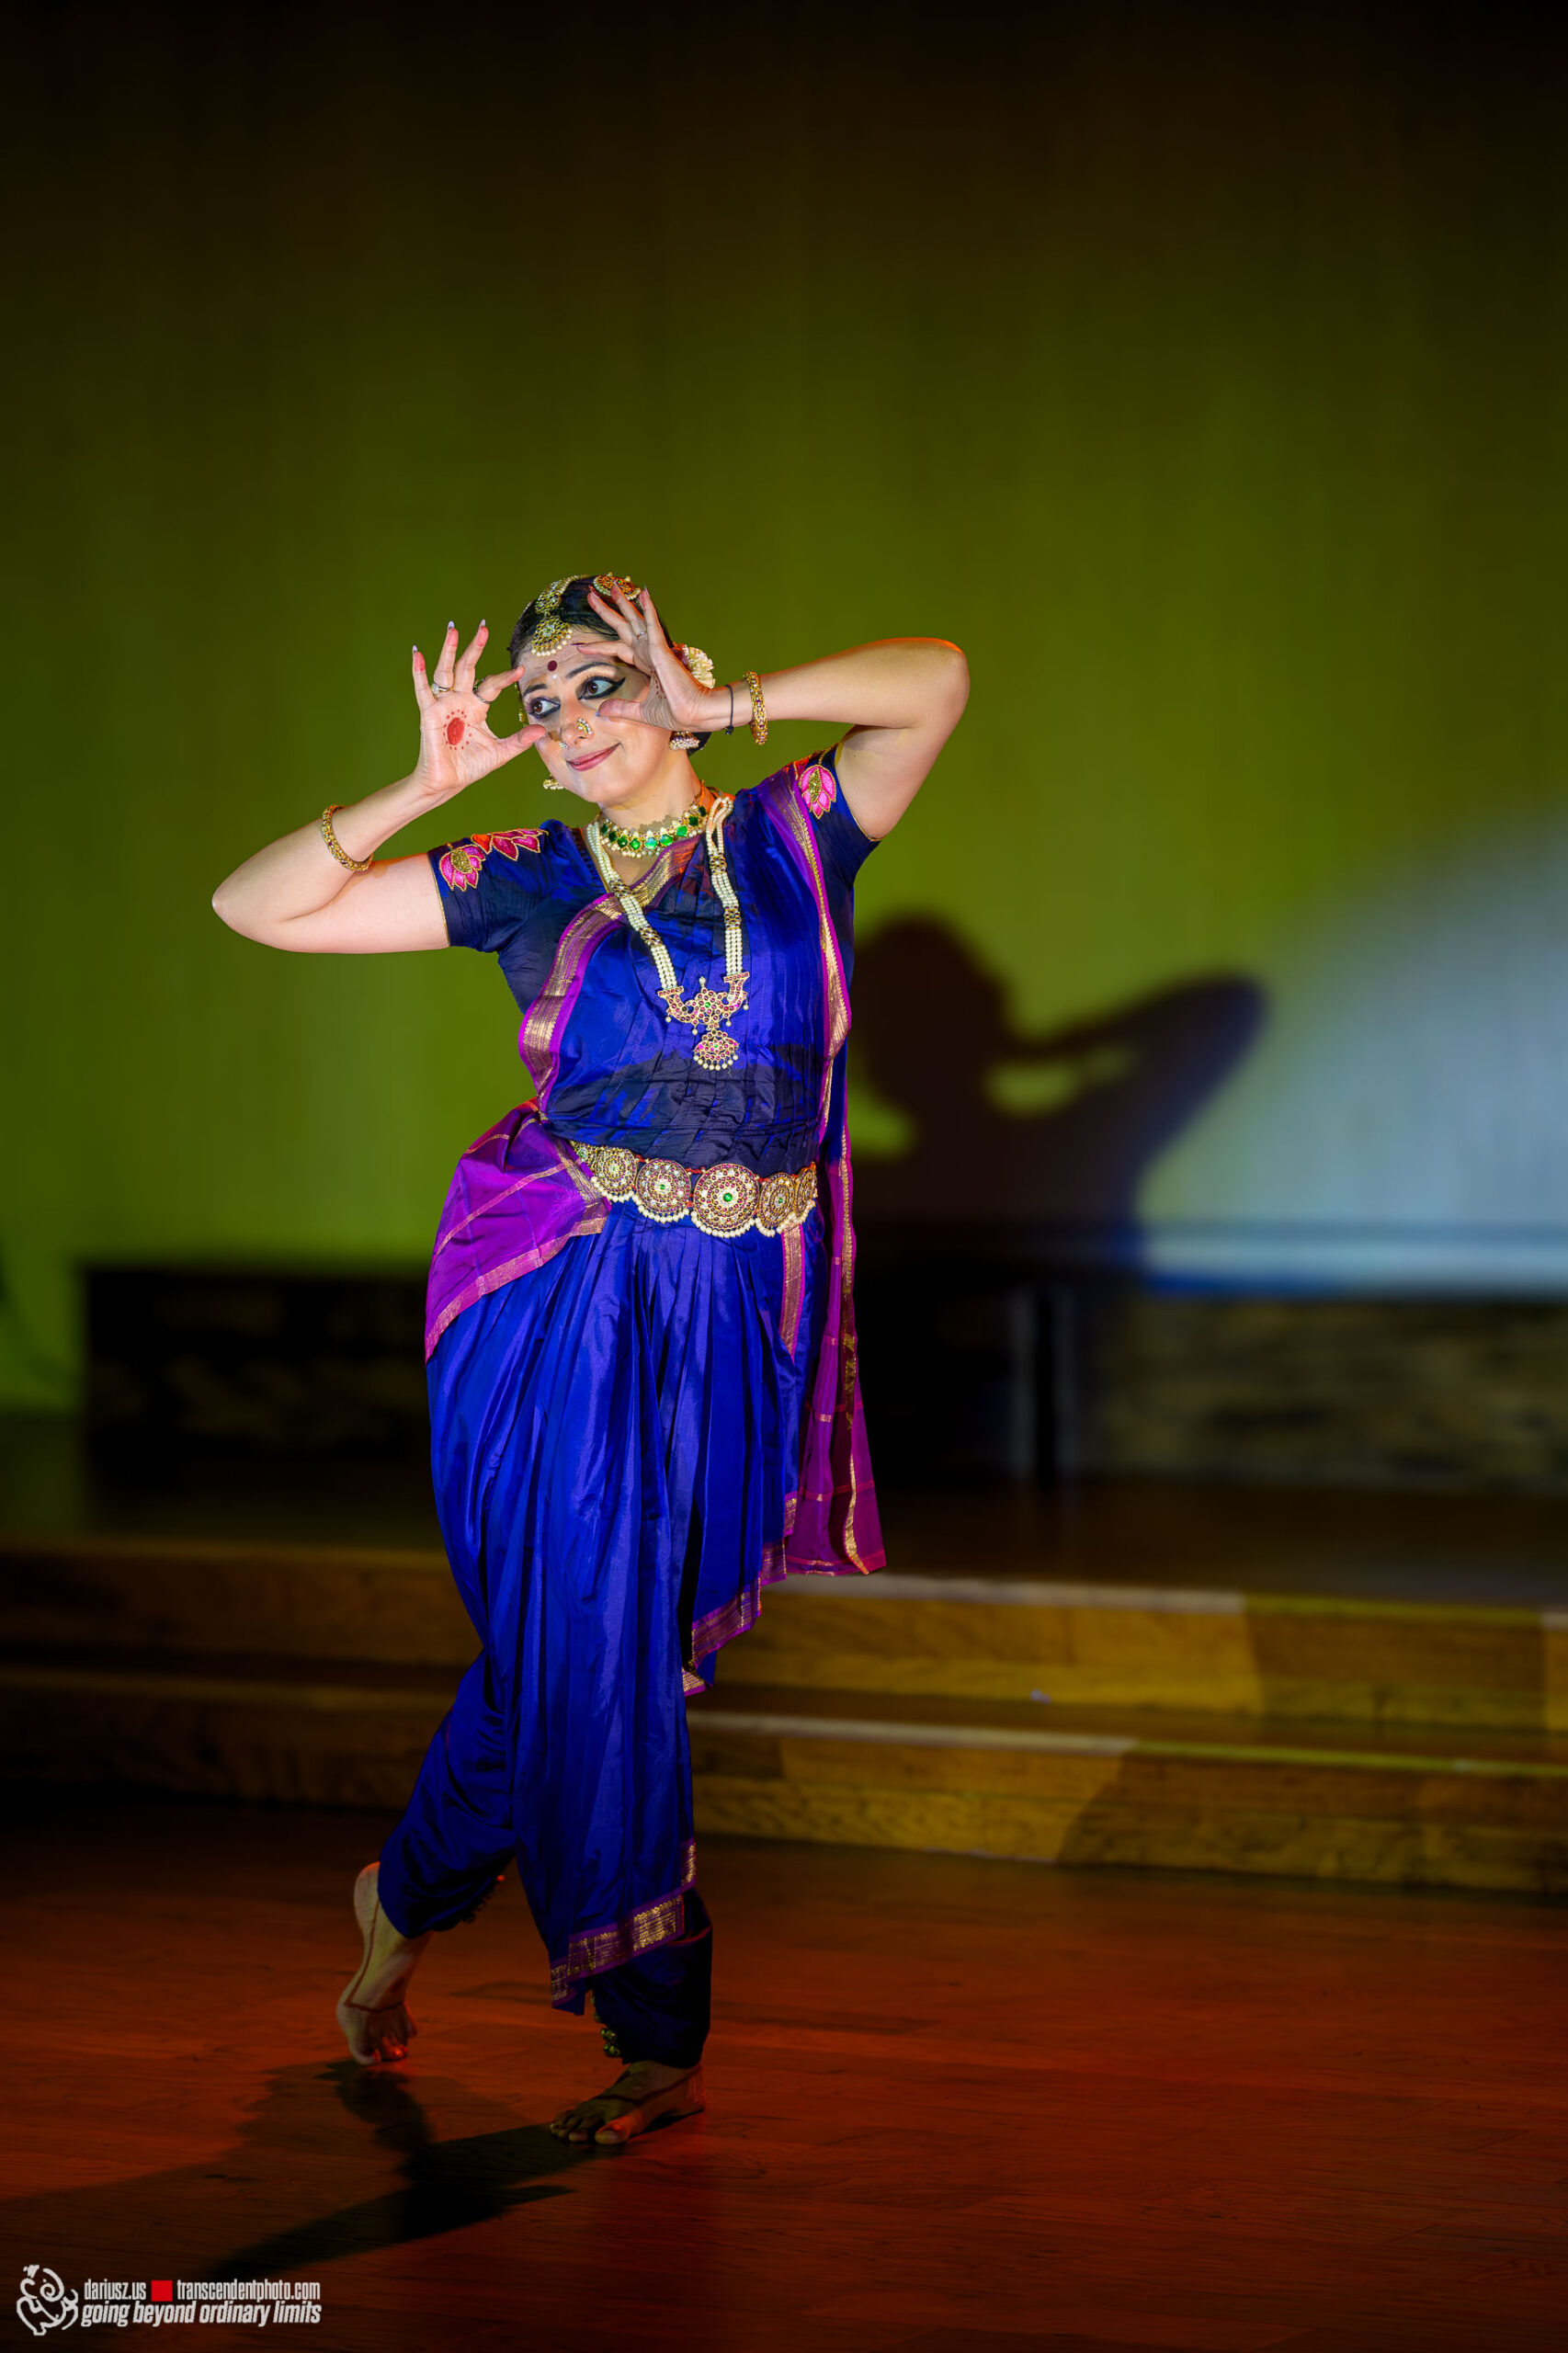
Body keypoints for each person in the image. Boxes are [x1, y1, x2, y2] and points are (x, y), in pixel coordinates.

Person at [212, 574, 968, 2145]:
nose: (564, 719)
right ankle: (655, 2033)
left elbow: (936, 677)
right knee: (594, 1638)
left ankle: (402, 1899)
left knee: (582, 1649)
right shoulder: (527, 872)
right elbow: (256, 908)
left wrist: (727, 706)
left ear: (674, 674)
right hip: (564, 1292)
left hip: (732, 1308)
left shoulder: (796, 830)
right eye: (540, 702)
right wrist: (422, 787)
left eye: (596, 680)